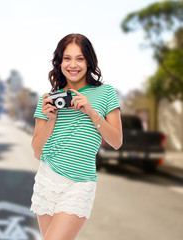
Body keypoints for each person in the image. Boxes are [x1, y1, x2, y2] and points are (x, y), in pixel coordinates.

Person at [30, 33, 123, 240]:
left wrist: (91, 112)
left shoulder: (106, 93)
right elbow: (37, 152)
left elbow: (116, 142)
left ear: (89, 61)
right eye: (67, 58)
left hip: (79, 183)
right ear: (60, 62)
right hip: (47, 179)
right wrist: (52, 119)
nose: (73, 64)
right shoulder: (47, 99)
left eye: (80, 58)